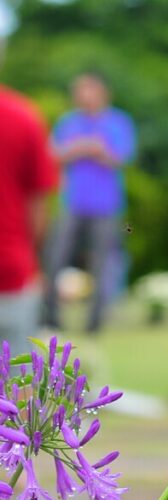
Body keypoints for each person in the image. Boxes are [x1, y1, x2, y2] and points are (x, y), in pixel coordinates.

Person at [43, 72, 135, 332]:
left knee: (103, 263)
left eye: (89, 90)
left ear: (103, 93)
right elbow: (52, 156)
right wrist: (81, 148)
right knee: (56, 258)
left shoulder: (119, 121)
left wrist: (98, 150)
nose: (83, 96)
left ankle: (95, 321)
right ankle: (51, 315)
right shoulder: (68, 122)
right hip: (71, 202)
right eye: (79, 91)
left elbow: (121, 158)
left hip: (107, 206)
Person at [0, 78, 59, 355]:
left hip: (13, 271)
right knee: (18, 384)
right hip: (12, 270)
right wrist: (31, 257)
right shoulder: (23, 115)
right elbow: (38, 204)